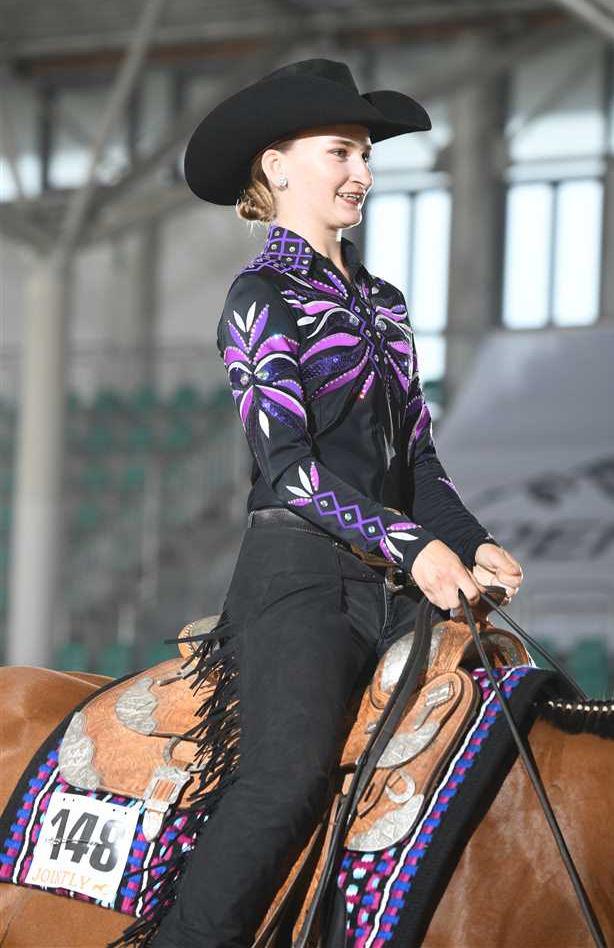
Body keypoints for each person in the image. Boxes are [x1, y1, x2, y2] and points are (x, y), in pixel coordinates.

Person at [150, 57, 523, 948]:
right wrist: (414, 548)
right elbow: (287, 469)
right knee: (285, 783)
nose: (361, 172)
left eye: (365, 154)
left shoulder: (385, 305)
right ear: (276, 167)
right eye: (340, 152)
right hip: (299, 581)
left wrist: (472, 542)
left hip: (392, 581)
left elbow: (417, 459)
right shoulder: (259, 298)